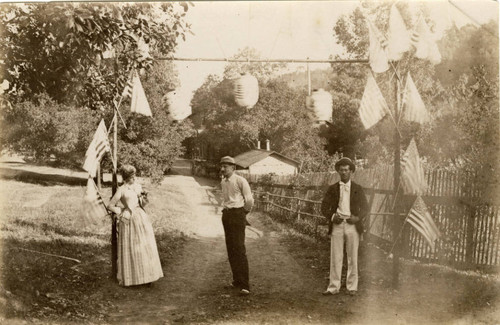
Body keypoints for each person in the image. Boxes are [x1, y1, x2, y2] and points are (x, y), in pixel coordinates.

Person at [108, 164, 163, 286]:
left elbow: (142, 203)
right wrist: (121, 211)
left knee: (144, 246)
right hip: (128, 219)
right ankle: (132, 278)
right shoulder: (121, 190)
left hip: (140, 217)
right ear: (126, 177)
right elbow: (110, 205)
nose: (134, 178)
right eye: (131, 176)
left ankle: (147, 276)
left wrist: (144, 197)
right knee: (130, 247)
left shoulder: (137, 187)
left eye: (134, 176)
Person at [320, 157, 369, 296]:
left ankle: (352, 287)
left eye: (346, 170)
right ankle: (333, 287)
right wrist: (331, 216)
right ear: (338, 172)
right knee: (336, 256)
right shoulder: (333, 188)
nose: (344, 173)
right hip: (337, 225)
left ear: (351, 171)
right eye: (341, 170)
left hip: (352, 225)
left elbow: (365, 207)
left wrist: (358, 217)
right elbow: (324, 207)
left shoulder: (358, 189)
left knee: (352, 257)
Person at [219, 156, 254, 295]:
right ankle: (236, 281)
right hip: (227, 215)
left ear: (233, 168)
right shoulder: (223, 182)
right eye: (221, 166)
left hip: (238, 214)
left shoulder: (240, 180)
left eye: (225, 166)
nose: (222, 169)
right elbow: (227, 200)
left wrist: (242, 214)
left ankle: (245, 285)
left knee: (239, 249)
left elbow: (249, 200)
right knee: (231, 249)